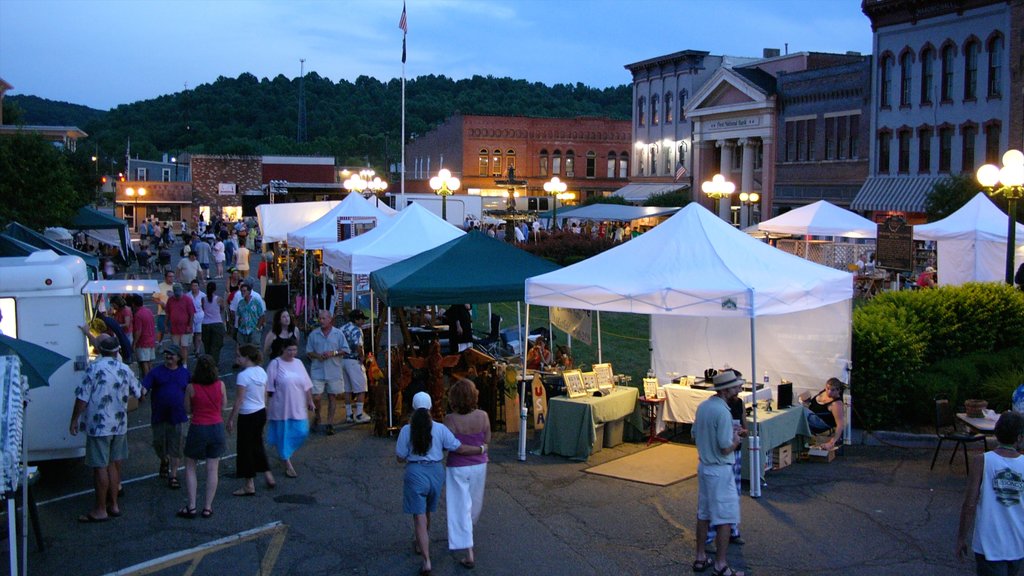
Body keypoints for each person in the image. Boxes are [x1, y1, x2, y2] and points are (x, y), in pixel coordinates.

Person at [396, 392, 486, 576]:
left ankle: (426, 560)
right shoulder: (439, 428)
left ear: (413, 407)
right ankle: (422, 545)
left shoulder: (407, 430)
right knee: (427, 510)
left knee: (419, 516)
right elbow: (458, 447)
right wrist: (480, 449)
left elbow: (399, 456)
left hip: (415, 473)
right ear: (430, 407)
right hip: (436, 473)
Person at [69, 336, 142, 522]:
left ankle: (100, 509)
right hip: (119, 424)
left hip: (99, 425)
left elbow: (82, 397)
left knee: (99, 466)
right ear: (117, 351)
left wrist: (74, 419)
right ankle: (114, 505)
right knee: (113, 463)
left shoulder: (93, 368)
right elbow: (139, 392)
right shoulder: (125, 369)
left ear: (100, 350)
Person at [691, 369, 749, 576]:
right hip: (720, 470)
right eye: (736, 386)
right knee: (725, 517)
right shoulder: (723, 412)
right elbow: (725, 447)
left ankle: (700, 557)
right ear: (726, 390)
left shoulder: (704, 406)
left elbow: (694, 433)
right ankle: (721, 564)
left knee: (704, 513)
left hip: (704, 468)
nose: (740, 389)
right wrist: (735, 439)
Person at [957, 411, 1024, 575]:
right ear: (1020, 437)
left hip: (988, 545)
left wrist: (961, 538)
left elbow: (970, 504)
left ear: (996, 433)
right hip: (1018, 544)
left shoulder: (981, 461)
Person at [444, 379, 491, 569]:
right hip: (479, 465)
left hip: (457, 466)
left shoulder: (450, 419)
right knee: (474, 502)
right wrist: (479, 449)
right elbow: (487, 440)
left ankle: (467, 547)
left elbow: (451, 445)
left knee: (458, 505)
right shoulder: (483, 416)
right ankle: (468, 533)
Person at [177, 355, 227, 519]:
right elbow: (224, 405)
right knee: (213, 469)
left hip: (198, 427)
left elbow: (187, 409)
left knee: (190, 466)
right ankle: (207, 507)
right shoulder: (220, 385)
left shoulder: (191, 387)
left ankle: (191, 506)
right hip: (216, 427)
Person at [227, 344, 276, 496]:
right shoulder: (261, 371)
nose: (237, 359)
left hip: (247, 414)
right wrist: (265, 408)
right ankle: (267, 474)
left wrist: (231, 419)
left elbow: (239, 399)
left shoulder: (243, 376)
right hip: (260, 412)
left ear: (246, 358)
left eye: (239, 356)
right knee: (257, 443)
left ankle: (249, 484)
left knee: (245, 449)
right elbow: (266, 393)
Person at [142, 343, 190, 488]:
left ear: (178, 358)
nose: (168, 357)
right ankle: (164, 460)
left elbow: (194, 390)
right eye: (166, 354)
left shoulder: (185, 374)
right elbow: (144, 387)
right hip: (159, 416)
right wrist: (140, 393)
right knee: (159, 445)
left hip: (179, 416)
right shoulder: (156, 372)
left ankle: (173, 475)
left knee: (177, 447)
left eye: (171, 354)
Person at [265, 338, 314, 478]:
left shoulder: (298, 363)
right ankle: (286, 462)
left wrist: (310, 400)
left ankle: (285, 453)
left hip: (297, 405)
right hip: (281, 406)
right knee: (283, 433)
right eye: (289, 350)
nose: (292, 353)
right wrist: (266, 405)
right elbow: (268, 387)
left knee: (302, 430)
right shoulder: (275, 364)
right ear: (283, 349)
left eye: (294, 350)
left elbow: (306, 384)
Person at [305, 309, 348, 434]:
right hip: (318, 370)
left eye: (324, 318)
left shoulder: (338, 334)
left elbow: (345, 350)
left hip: (333, 369)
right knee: (317, 397)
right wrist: (317, 356)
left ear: (330, 319)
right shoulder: (314, 334)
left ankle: (330, 423)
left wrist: (333, 353)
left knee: (332, 396)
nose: (321, 321)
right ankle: (318, 416)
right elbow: (308, 351)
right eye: (320, 318)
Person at [340, 309, 372, 425]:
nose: (363, 321)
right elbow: (358, 346)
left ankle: (349, 414)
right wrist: (362, 357)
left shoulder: (342, 328)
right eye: (362, 319)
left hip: (342, 360)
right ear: (356, 319)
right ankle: (359, 414)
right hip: (353, 361)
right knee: (361, 387)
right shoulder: (357, 330)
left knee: (347, 389)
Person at [801, 377, 846, 450]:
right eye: (827, 388)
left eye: (833, 390)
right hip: (812, 414)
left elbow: (840, 424)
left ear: (838, 391)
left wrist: (832, 442)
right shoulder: (824, 392)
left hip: (822, 424)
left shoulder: (836, 404)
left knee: (801, 411)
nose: (829, 392)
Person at [165, 283, 196, 361]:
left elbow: (191, 314)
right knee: (175, 347)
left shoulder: (187, 300)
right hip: (174, 328)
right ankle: (177, 362)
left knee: (184, 346)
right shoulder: (170, 300)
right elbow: (168, 313)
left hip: (185, 328)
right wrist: (166, 325)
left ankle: (184, 363)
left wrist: (189, 326)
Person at [200, 281, 226, 368]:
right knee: (216, 346)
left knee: (207, 345)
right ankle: (214, 364)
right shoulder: (219, 299)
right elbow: (222, 309)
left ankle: (207, 363)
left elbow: (203, 309)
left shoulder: (203, 299)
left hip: (206, 323)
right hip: (217, 323)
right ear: (215, 289)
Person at [131, 294, 157, 379]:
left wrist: (134, 343)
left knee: (144, 361)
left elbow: (138, 331)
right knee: (149, 362)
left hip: (143, 341)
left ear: (133, 304)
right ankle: (152, 379)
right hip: (151, 339)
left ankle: (147, 380)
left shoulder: (138, 315)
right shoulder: (148, 311)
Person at [234, 282, 266, 348]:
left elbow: (262, 315)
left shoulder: (256, 301)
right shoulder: (240, 303)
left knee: (254, 350)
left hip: (253, 329)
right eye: (241, 291)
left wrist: (257, 328)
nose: (243, 293)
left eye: (244, 291)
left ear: (249, 291)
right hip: (243, 330)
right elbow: (239, 316)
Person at [154, 271, 175, 343]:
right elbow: (154, 298)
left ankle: (174, 346)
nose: (172, 278)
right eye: (170, 276)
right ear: (166, 277)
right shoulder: (160, 286)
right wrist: (161, 303)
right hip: (162, 313)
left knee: (174, 331)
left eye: (172, 276)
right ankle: (159, 344)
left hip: (173, 313)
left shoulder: (176, 286)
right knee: (161, 330)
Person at [187, 280, 206, 357]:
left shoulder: (203, 295)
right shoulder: (187, 295)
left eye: (196, 286)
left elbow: (205, 306)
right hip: (190, 316)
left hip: (200, 315)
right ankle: (195, 348)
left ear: (198, 286)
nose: (194, 287)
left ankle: (197, 350)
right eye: (193, 286)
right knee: (192, 334)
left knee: (198, 333)